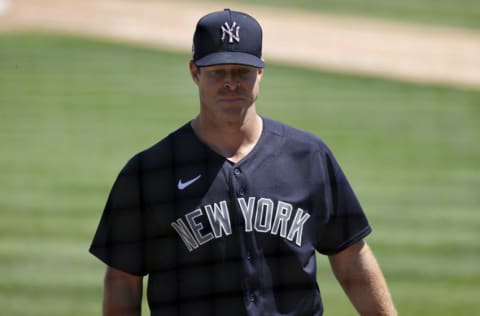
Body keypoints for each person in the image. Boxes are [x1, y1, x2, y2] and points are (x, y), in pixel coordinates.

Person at [89, 8, 397, 316]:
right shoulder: (149, 171)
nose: (231, 83)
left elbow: (352, 257)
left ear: (260, 72)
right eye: (218, 71)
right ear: (195, 72)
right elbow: (123, 279)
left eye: (242, 71)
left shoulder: (308, 157)